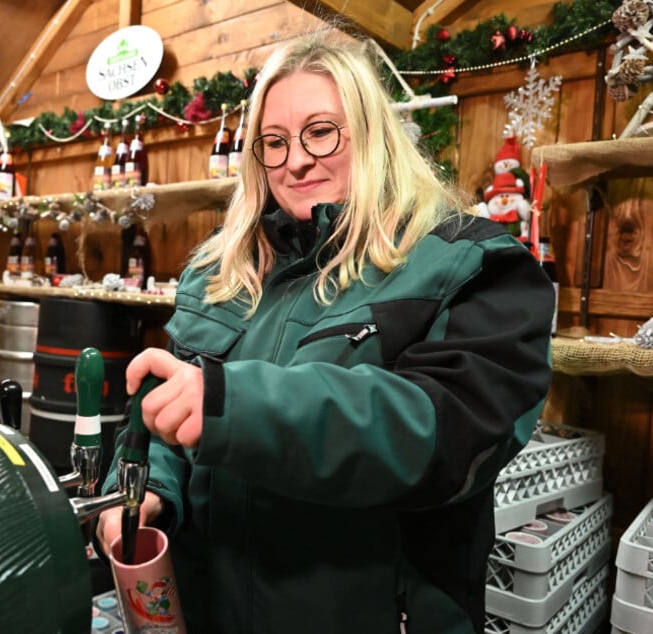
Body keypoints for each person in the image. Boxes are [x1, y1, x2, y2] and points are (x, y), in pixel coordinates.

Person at [95, 29, 554, 634]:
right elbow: (168, 423)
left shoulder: (468, 261)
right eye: (275, 142)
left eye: (319, 132)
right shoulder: (221, 272)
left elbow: (447, 438)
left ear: (371, 134)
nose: (296, 160)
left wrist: (235, 405)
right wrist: (148, 489)